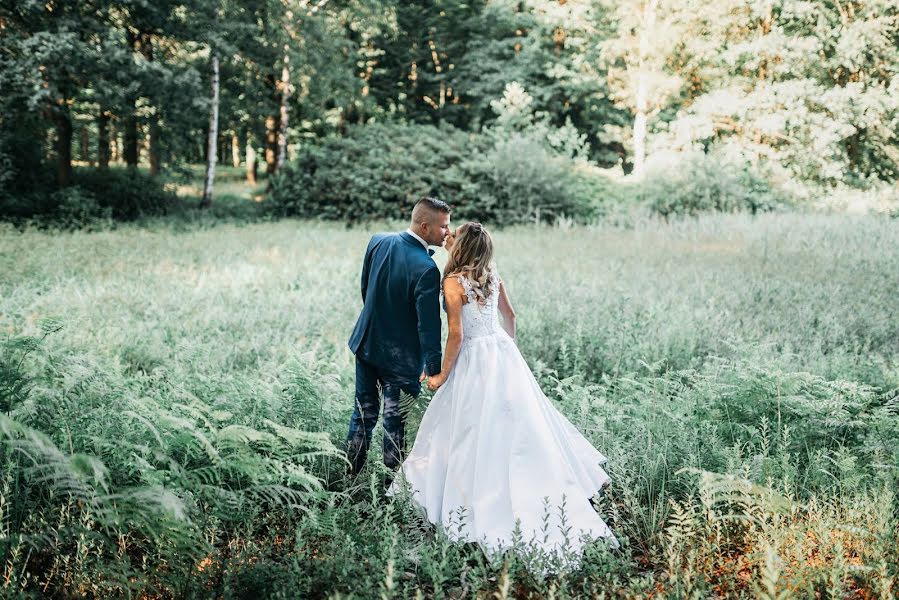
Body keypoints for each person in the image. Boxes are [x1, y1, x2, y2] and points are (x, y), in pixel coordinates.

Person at [389, 221, 618, 563]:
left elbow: (457, 335)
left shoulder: (453, 283)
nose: (448, 237)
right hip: (501, 353)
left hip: (473, 358)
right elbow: (510, 316)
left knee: (466, 426)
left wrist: (439, 376)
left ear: (461, 247)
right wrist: (508, 351)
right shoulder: (493, 276)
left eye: (453, 236)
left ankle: (463, 499)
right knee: (516, 423)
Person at [345, 197, 452, 475]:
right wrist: (434, 371)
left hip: (366, 344)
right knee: (395, 425)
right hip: (401, 360)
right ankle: (392, 491)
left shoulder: (378, 241)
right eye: (444, 227)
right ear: (425, 227)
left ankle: (348, 478)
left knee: (362, 415)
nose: (448, 233)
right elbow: (429, 327)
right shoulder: (427, 269)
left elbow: (366, 289)